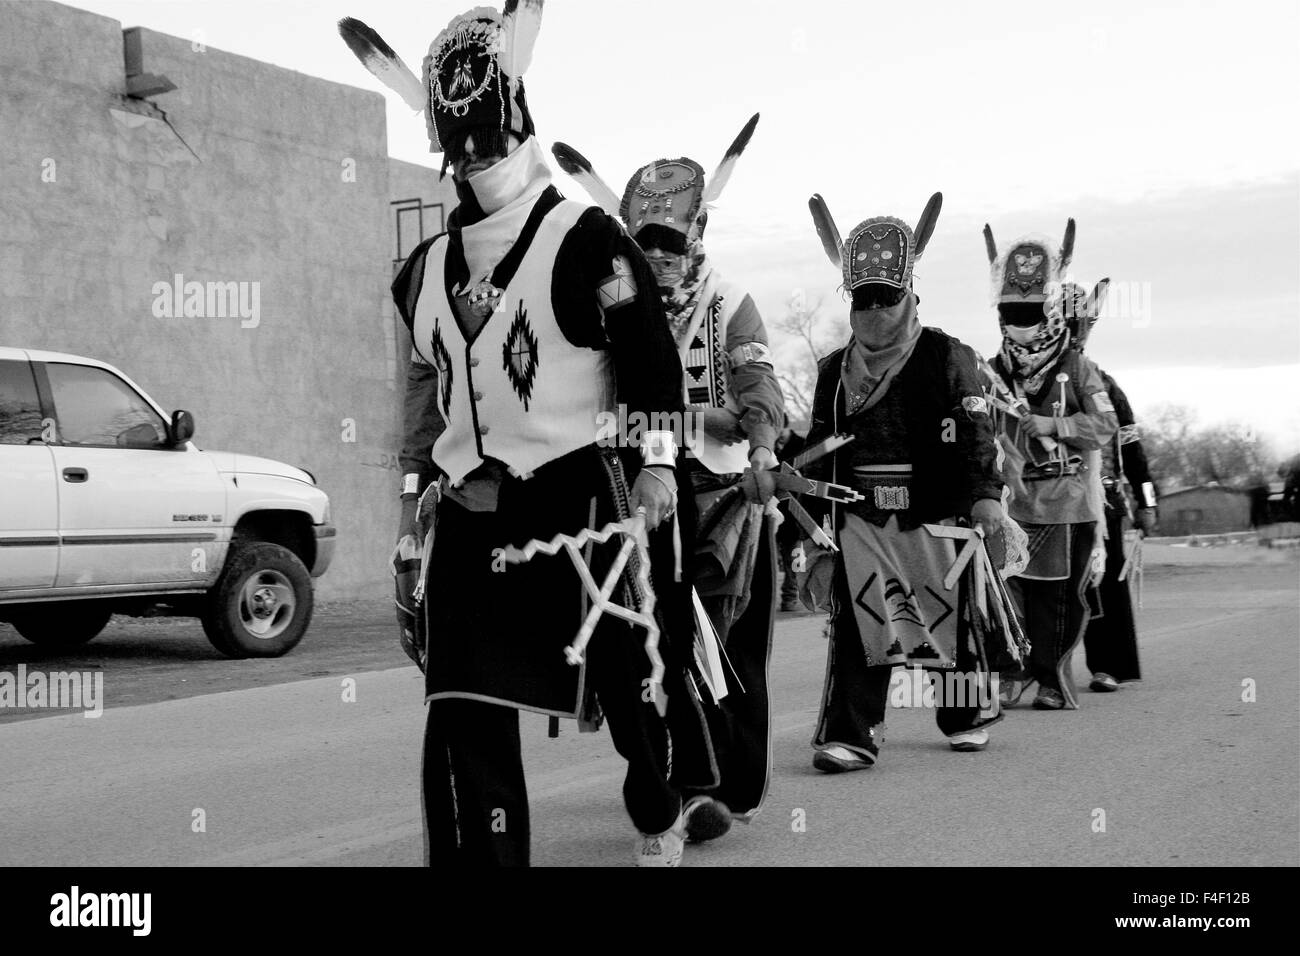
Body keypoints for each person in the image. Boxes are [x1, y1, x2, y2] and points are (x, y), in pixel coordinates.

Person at [340, 3, 710, 867]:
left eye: (488, 138)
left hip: (579, 496)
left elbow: (651, 359)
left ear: (521, 120)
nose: (476, 159)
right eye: (458, 146)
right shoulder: (420, 274)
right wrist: (408, 510)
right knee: (462, 699)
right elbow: (423, 394)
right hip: (472, 510)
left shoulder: (588, 243)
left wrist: (656, 465)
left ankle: (657, 802)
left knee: (624, 680)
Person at [551, 117, 784, 843]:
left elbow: (759, 391)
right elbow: (603, 420)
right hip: (642, 505)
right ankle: (677, 780)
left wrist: (760, 445)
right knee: (659, 649)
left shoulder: (727, 303)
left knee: (732, 656)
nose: (657, 258)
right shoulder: (606, 313)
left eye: (671, 244)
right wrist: (690, 426)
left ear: (697, 239)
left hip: (724, 509)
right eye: (642, 244)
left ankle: (723, 787)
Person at [798, 192, 1009, 772]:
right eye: (862, 300)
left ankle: (965, 715)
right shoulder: (831, 374)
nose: (873, 310)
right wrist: (809, 520)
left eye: (885, 298)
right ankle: (854, 733)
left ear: (910, 293)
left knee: (949, 617)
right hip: (859, 515)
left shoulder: (948, 355)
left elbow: (977, 431)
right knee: (862, 619)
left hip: (938, 509)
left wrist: (987, 497)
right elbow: (818, 450)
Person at [982, 222, 1118, 710]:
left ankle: (1050, 678)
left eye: (1030, 312)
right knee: (1006, 594)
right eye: (1010, 312)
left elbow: (1105, 426)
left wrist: (1054, 427)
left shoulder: (1078, 368)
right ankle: (1011, 672)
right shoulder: (990, 372)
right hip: (1009, 505)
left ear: (1051, 310)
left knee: (1054, 600)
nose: (1020, 322)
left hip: (1064, 500)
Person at [1062, 281, 1158, 691]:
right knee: (1045, 589)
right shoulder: (1024, 383)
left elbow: (1133, 448)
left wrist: (1147, 501)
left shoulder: (1104, 383)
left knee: (1103, 581)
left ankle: (1109, 665)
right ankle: (1041, 671)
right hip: (1044, 499)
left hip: (1103, 501)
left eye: (1077, 323)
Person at [775, 416, 809, 612]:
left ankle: (791, 597)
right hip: (771, 511)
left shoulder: (802, 446)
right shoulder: (768, 446)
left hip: (794, 512)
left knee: (794, 558)